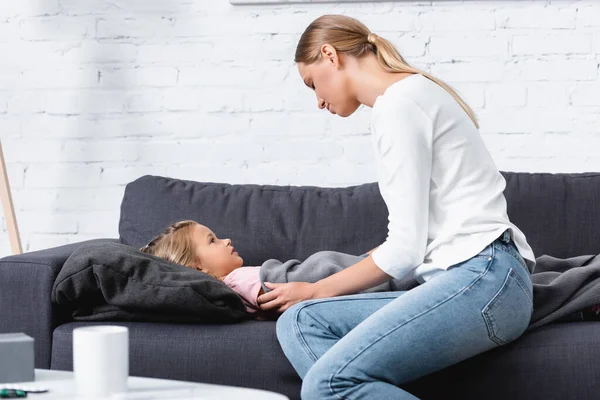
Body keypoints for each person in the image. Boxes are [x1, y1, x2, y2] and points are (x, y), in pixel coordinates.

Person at [255, 14, 536, 400]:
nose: (318, 101)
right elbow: (415, 241)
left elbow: (404, 251)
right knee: (300, 322)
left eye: (312, 84)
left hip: (484, 279)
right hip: (466, 281)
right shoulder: (408, 97)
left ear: (329, 55)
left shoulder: (401, 103)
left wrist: (317, 288)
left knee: (326, 384)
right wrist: (310, 297)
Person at [139, 219, 382, 317]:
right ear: (198, 268)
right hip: (335, 281)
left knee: (348, 262)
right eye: (212, 241)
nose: (226, 241)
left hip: (333, 276)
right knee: (326, 262)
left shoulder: (237, 283)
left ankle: (382, 256)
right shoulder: (237, 281)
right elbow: (278, 296)